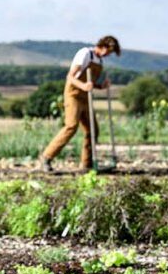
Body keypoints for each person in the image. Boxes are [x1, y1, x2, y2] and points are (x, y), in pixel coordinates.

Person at [39, 36, 121, 172]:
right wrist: (83, 86)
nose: (108, 55)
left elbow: (90, 83)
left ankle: (87, 164)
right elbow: (70, 77)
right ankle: (46, 157)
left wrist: (101, 86)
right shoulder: (85, 54)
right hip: (73, 95)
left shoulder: (99, 61)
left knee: (93, 130)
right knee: (71, 126)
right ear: (103, 46)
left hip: (85, 97)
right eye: (109, 51)